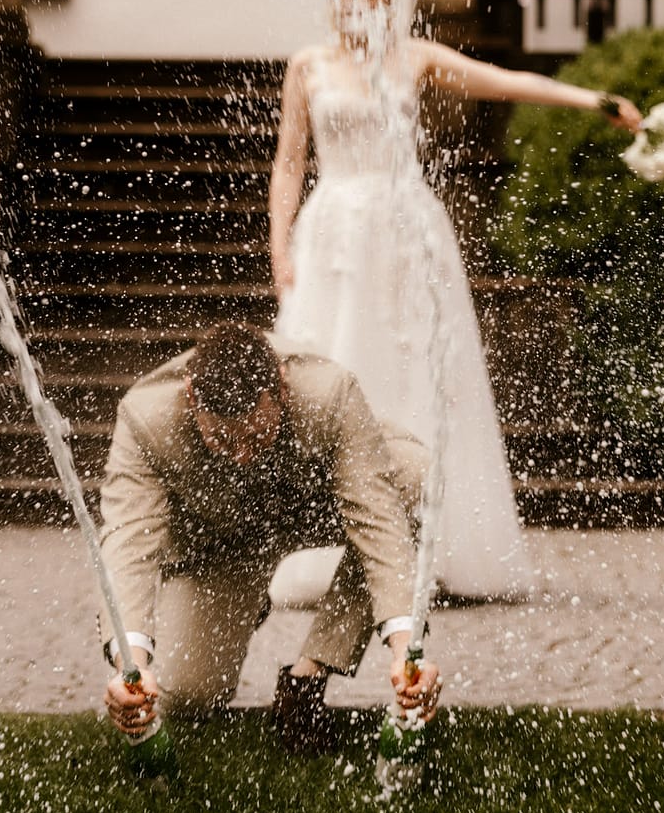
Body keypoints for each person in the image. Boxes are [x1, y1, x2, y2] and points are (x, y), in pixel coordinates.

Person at [268, 0, 643, 600]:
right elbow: (289, 161)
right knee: (337, 370)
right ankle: (336, 554)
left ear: (389, 0)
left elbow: (507, 80)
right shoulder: (309, 66)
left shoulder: (415, 60)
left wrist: (596, 100)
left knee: (421, 377)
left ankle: (438, 550)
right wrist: (279, 246)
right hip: (334, 240)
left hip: (407, 234)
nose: (361, 4)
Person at [98, 320, 442, 754]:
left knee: (416, 478)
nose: (242, 455)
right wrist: (131, 666)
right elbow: (126, 543)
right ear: (191, 397)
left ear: (281, 387)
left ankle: (309, 676)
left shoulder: (330, 393)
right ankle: (245, 600)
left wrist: (405, 652)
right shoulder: (144, 419)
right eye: (222, 440)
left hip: (317, 510)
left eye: (258, 434)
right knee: (189, 694)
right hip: (220, 543)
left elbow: (378, 522)